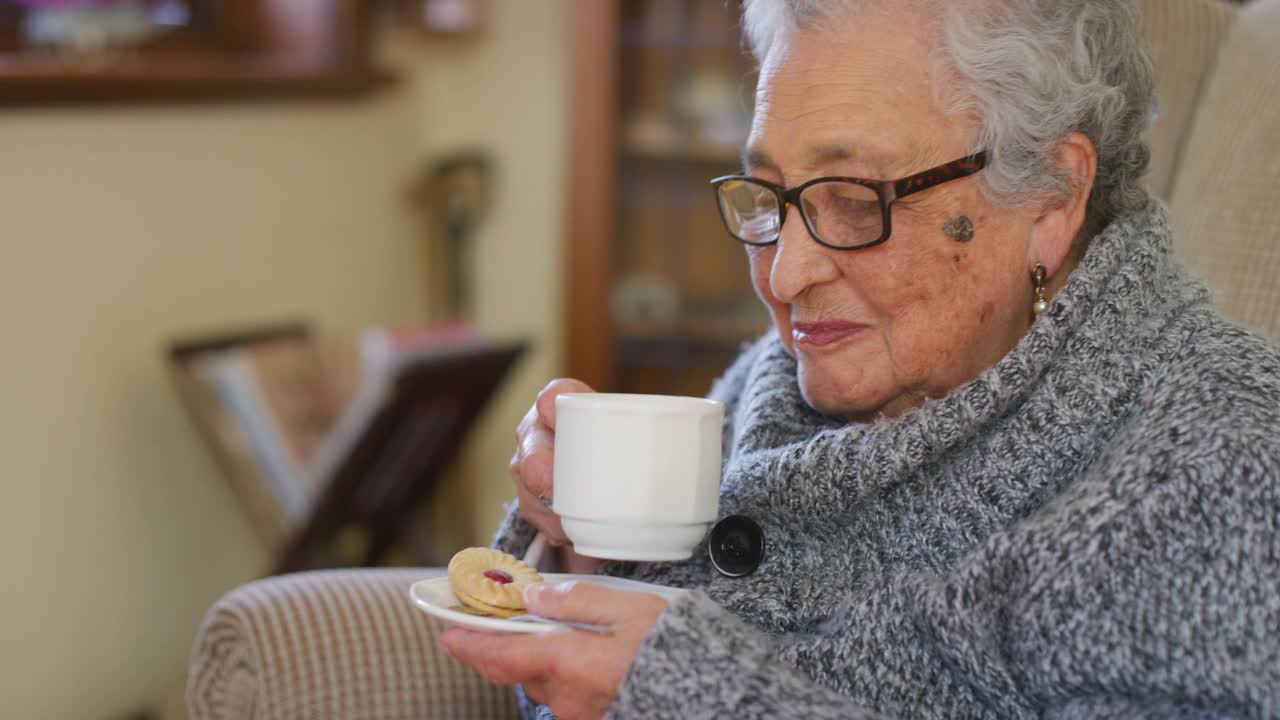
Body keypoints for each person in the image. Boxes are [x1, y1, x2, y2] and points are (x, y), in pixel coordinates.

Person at [440, 1, 1280, 718]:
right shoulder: (773, 386)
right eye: (770, 195)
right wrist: (582, 540)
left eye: (854, 200)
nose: (787, 274)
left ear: (1052, 200)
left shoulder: (1219, 462)